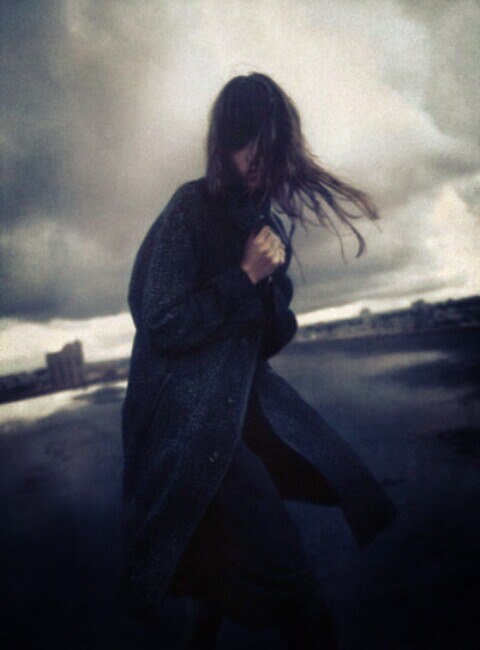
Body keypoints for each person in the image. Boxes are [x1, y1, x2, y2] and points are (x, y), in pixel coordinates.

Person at [116, 72, 396, 649]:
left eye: (267, 146)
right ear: (223, 143)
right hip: (188, 430)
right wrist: (244, 276)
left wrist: (266, 284)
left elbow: (267, 339)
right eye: (244, 141)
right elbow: (160, 321)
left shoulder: (267, 226)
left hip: (242, 415)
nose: (256, 159)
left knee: (211, 585)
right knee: (293, 585)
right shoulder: (189, 209)